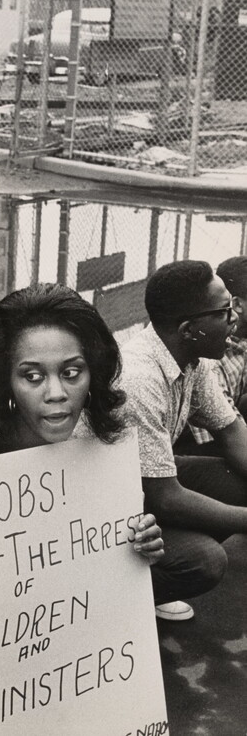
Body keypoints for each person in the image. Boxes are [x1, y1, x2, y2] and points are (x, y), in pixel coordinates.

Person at [0, 283, 164, 735]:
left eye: (72, 372)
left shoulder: (105, 462)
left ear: (93, 373)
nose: (57, 393)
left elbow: (107, 579)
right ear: (7, 382)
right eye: (33, 376)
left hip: (73, 679)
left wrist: (143, 548)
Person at [121, 260, 247, 623]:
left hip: (145, 489)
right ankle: (117, 600)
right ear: (190, 329)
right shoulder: (139, 379)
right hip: (110, 508)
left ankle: (157, 567)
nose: (233, 318)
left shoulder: (192, 357)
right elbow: (166, 498)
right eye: (224, 312)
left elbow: (231, 431)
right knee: (204, 561)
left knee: (237, 481)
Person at [184, 255, 247, 451]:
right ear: (237, 305)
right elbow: (219, 437)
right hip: (200, 446)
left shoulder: (240, 339)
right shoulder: (212, 361)